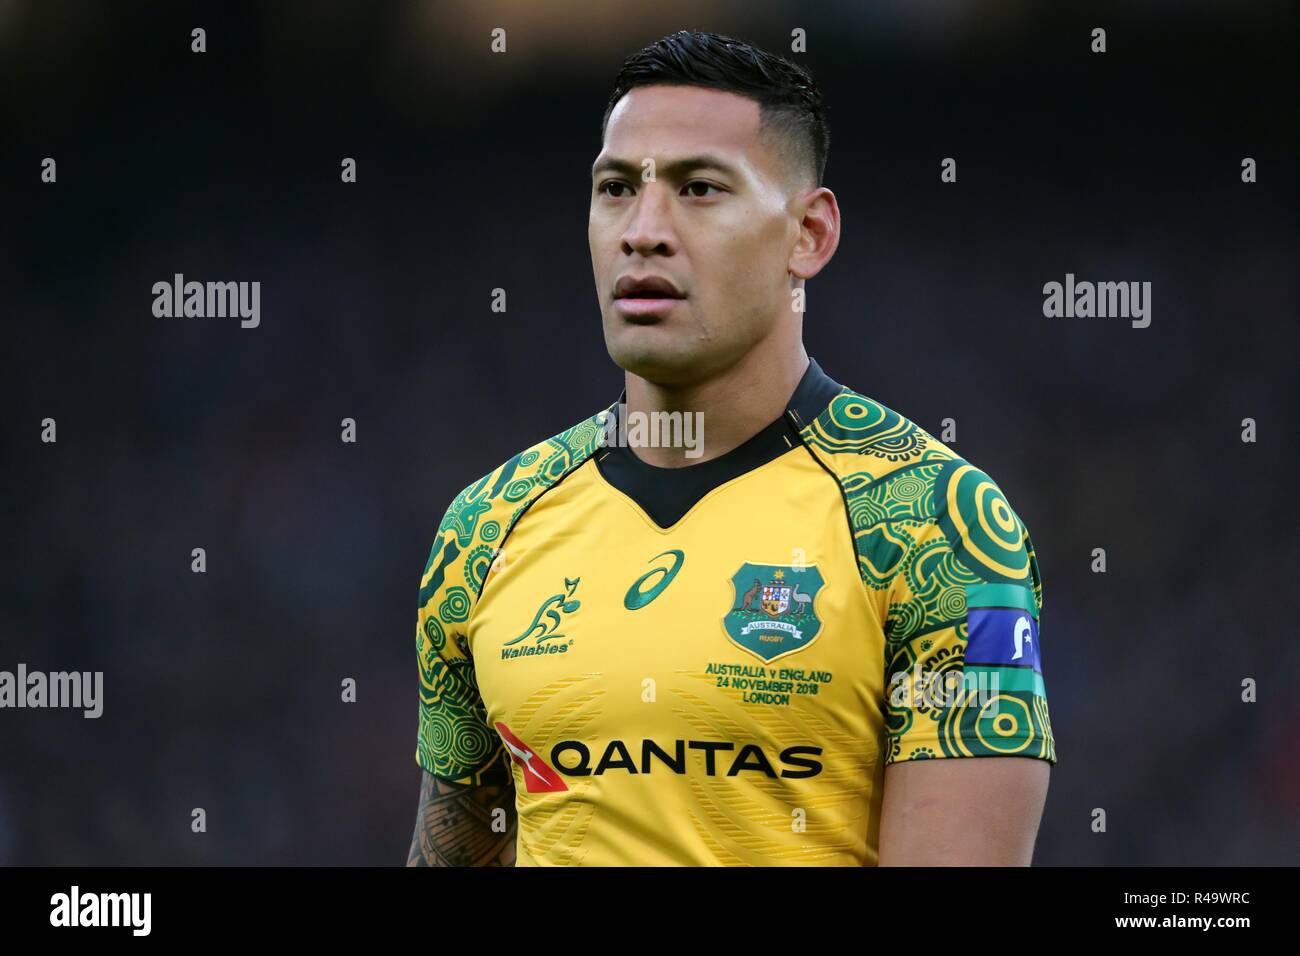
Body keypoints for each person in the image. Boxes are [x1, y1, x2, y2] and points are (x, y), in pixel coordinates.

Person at [407, 30, 1053, 867]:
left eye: (699, 188)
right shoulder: (486, 527)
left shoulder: (935, 523)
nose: (643, 231)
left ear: (808, 235)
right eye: (615, 189)